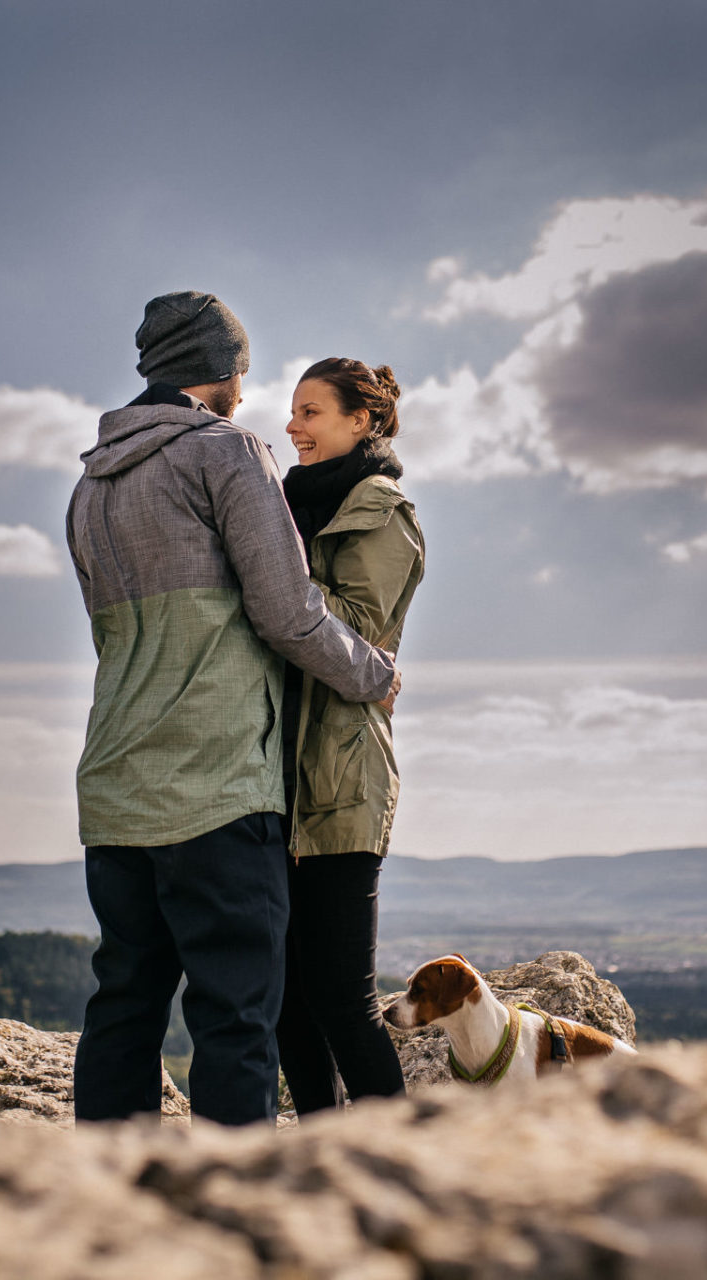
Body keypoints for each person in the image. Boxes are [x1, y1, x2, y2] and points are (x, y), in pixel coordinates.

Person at [64, 292, 401, 1127]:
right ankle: (235, 1197)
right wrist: (372, 674)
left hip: (114, 786)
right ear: (221, 371)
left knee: (125, 1004)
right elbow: (287, 613)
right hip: (216, 787)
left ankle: (108, 1188)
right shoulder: (227, 452)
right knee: (235, 1014)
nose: (249, 396)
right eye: (243, 375)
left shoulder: (89, 485)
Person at [273, 357, 425, 1115]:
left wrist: (271, 568)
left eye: (310, 412)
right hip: (275, 775)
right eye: (292, 411)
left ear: (360, 420)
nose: (292, 427)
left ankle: (395, 1151)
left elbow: (357, 633)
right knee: (285, 1001)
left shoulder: (381, 512)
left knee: (340, 996)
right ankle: (323, 1150)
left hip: (341, 776)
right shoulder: (291, 506)